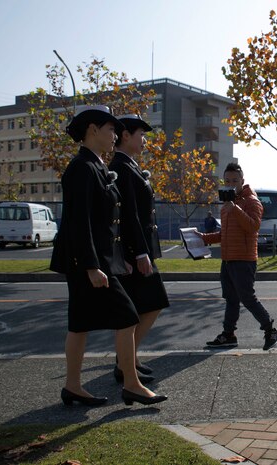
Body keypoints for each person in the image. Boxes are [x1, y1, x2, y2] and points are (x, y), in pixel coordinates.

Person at [50, 105, 167, 407]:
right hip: (85, 262)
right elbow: (80, 222)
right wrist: (92, 266)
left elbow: (108, 223)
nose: (115, 135)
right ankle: (131, 384)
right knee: (127, 316)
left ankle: (73, 386)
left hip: (96, 261)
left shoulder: (96, 165)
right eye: (111, 129)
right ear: (92, 130)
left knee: (79, 324)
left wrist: (117, 258)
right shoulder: (82, 168)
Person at [109, 114, 170, 384]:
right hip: (135, 252)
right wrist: (138, 253)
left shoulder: (129, 166)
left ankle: (128, 361)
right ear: (126, 136)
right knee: (152, 302)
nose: (144, 141)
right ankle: (124, 363)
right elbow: (129, 214)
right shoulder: (121, 167)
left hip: (138, 250)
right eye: (141, 135)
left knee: (142, 307)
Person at [196, 163, 277, 350]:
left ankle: (271, 331)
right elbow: (224, 235)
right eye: (227, 181)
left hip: (244, 260)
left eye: (234, 181)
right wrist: (203, 238)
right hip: (228, 259)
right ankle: (228, 335)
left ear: (242, 181)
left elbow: (253, 227)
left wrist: (234, 208)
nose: (230, 184)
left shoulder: (251, 201)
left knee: (247, 298)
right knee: (231, 299)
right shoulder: (228, 205)